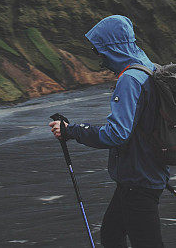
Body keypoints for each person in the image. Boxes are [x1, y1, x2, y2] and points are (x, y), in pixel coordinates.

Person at [49, 15, 169, 248]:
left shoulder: (130, 80)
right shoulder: (149, 68)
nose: (101, 59)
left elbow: (117, 134)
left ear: (112, 48)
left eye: (99, 51)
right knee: (111, 235)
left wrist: (71, 130)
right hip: (143, 174)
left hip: (138, 179)